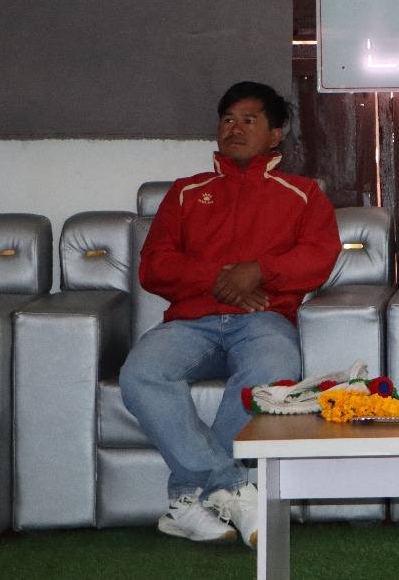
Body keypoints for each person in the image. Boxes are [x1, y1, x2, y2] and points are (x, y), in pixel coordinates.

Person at [121, 81, 341, 546]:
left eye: (249, 120)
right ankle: (230, 486)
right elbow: (154, 266)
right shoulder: (186, 193)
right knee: (141, 373)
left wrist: (259, 271)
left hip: (263, 321)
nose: (234, 128)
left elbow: (318, 259)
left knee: (270, 372)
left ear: (276, 134)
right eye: (227, 119)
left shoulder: (303, 194)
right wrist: (221, 278)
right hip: (191, 321)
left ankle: (186, 502)